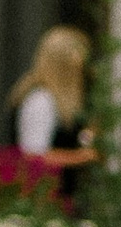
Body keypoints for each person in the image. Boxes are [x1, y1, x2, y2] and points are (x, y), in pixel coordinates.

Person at [9, 24, 95, 184]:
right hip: (44, 196)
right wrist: (83, 157)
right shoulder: (41, 100)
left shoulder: (62, 104)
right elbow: (34, 156)